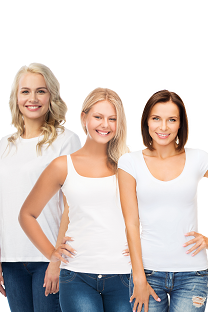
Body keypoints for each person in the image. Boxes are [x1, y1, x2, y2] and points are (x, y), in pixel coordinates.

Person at [119, 90, 208, 312]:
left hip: (193, 275)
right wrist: (139, 276)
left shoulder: (198, 158)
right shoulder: (129, 163)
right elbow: (131, 223)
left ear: (180, 124)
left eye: (172, 120)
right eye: (156, 119)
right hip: (148, 271)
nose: (163, 127)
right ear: (146, 122)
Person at [19, 88, 132, 312]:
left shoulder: (129, 165)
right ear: (84, 118)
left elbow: (149, 211)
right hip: (77, 276)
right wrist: (52, 253)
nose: (105, 125)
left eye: (112, 119)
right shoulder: (63, 165)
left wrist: (144, 245)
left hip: (124, 275)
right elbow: (27, 214)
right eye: (98, 117)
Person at [0, 63, 81, 312]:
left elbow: (72, 204)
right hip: (11, 260)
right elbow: (2, 202)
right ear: (16, 97)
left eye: (40, 91)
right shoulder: (4, 145)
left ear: (51, 96)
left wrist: (56, 259)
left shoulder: (66, 140)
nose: (32, 99)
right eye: (25, 92)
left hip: (48, 257)